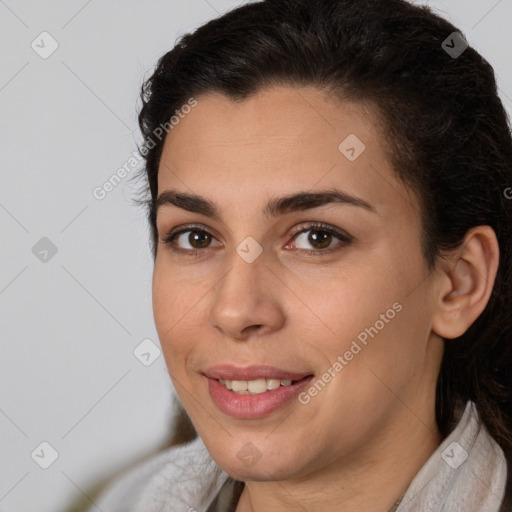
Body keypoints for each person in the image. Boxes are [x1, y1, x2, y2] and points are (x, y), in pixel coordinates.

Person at [88, 0, 512, 510]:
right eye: (196, 237)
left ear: (458, 283)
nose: (235, 310)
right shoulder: (118, 499)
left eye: (316, 238)